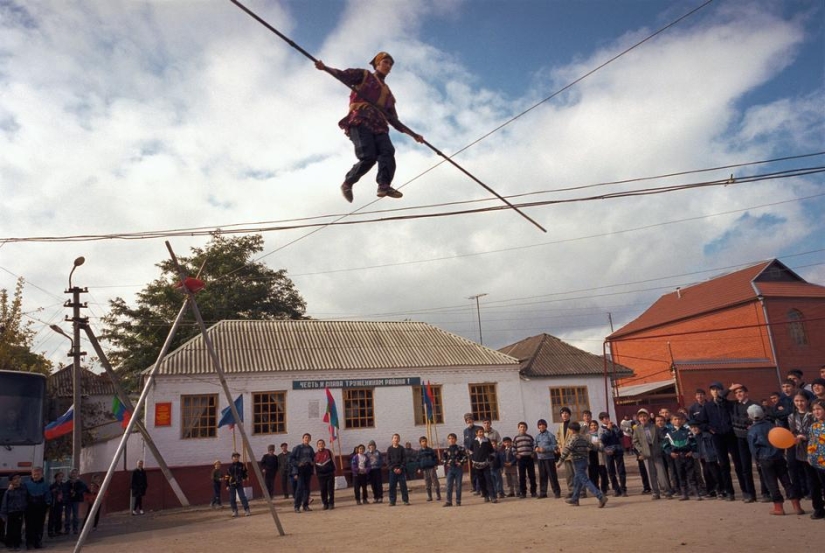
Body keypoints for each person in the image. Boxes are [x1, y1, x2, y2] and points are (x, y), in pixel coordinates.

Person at [315, 52, 424, 203]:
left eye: (390, 65)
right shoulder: (364, 75)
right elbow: (344, 75)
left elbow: (394, 120)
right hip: (360, 119)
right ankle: (348, 183)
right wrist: (325, 68)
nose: (388, 66)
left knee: (388, 152)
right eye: (385, 62)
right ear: (377, 64)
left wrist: (413, 135)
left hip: (379, 125)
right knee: (369, 156)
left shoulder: (388, 94)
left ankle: (384, 185)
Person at [746, 404, 801, 515]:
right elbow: (781, 440)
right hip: (778, 457)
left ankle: (778, 507)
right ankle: (797, 506)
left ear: (750, 417)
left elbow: (753, 449)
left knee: (771, 483)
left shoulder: (752, 431)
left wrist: (757, 460)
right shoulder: (772, 426)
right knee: (786, 480)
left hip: (765, 459)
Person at [697, 381, 742, 501]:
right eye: (713, 390)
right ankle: (729, 491)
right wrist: (709, 429)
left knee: (738, 463)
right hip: (717, 437)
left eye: (717, 389)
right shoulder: (707, 406)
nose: (715, 391)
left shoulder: (729, 404)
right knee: (723, 465)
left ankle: (746, 490)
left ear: (722, 391)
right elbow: (701, 422)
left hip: (731, 435)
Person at [557, 422, 608, 508]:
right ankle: (575, 499)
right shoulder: (583, 438)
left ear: (572, 430)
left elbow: (567, 450)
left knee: (585, 480)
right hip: (584, 461)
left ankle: (600, 496)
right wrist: (601, 449)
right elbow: (592, 446)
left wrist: (560, 461)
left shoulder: (573, 438)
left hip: (577, 462)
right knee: (577, 481)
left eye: (569, 430)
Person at [730, 384, 760, 502]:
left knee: (760, 465)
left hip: (754, 438)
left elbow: (759, 419)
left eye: (741, 392)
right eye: (736, 393)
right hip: (740, 439)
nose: (738, 394)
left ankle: (766, 491)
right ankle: (750, 493)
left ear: (746, 393)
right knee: (745, 467)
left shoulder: (754, 405)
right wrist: (730, 389)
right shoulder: (734, 405)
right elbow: (721, 398)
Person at [663, 413, 702, 501]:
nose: (678, 421)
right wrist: (670, 453)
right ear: (671, 421)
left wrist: (692, 451)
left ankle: (696, 492)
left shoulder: (687, 431)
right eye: (675, 419)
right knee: (680, 474)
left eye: (679, 419)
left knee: (691, 474)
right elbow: (665, 445)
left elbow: (694, 442)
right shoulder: (669, 433)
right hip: (677, 456)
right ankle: (684, 493)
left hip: (687, 455)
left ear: (683, 420)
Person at [632, 409, 663, 500]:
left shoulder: (655, 427)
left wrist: (659, 448)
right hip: (646, 453)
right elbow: (635, 441)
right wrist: (641, 450)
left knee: (661, 473)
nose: (643, 418)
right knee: (650, 473)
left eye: (644, 416)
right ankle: (655, 492)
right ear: (638, 418)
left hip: (656, 451)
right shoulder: (637, 429)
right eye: (641, 416)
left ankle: (666, 490)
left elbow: (661, 439)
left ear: (648, 417)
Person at [690, 420, 721, 498]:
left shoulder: (707, 435)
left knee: (715, 474)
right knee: (706, 474)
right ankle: (711, 491)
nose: (694, 429)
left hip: (711, 458)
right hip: (702, 458)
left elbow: (714, 447)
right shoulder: (695, 437)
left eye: (695, 427)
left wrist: (717, 456)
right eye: (692, 428)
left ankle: (720, 490)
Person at [599, 412, 627, 497]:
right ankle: (616, 489)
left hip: (618, 450)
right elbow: (603, 439)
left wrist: (615, 428)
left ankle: (623, 489)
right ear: (601, 420)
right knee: (611, 471)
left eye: (608, 418)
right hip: (608, 451)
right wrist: (608, 429)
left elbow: (621, 435)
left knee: (621, 470)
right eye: (605, 418)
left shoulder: (615, 426)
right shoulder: (601, 429)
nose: (607, 419)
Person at [806, 399, 825, 519]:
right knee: (815, 486)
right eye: (814, 410)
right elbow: (811, 441)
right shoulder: (813, 426)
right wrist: (809, 456)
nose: (816, 412)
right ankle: (818, 509)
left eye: (818, 409)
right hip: (814, 461)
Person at [24, 466, 51, 548]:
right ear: (32, 475)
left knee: (39, 525)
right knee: (29, 525)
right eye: (34, 474)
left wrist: (47, 504)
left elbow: (48, 495)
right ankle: (29, 542)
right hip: (30, 507)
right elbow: (23, 495)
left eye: (38, 474)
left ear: (42, 475)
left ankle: (38, 541)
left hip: (41, 507)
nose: (36, 476)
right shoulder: (26, 484)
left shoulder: (45, 485)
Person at [534, 419, 561, 499]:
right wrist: (536, 448)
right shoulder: (537, 436)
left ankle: (557, 492)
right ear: (538, 426)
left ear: (546, 426)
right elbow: (535, 444)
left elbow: (554, 446)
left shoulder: (550, 435)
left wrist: (545, 449)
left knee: (552, 476)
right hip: (540, 459)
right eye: (540, 425)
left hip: (549, 458)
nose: (541, 426)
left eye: (543, 424)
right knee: (542, 476)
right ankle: (543, 493)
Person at [470, 427, 497, 503]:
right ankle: (485, 495)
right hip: (477, 465)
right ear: (476, 433)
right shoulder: (473, 441)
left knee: (489, 480)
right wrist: (473, 459)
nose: (481, 433)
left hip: (486, 464)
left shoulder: (487, 441)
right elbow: (470, 451)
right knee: (481, 481)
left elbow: (492, 452)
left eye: (482, 432)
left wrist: (489, 460)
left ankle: (493, 496)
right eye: (479, 432)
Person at [290, 434, 315, 513]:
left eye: (308, 438)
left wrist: (312, 463)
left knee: (307, 488)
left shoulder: (311, 449)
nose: (307, 439)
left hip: (308, 469)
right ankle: (297, 506)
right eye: (305, 438)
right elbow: (290, 459)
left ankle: (305, 505)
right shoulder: (297, 448)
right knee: (299, 488)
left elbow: (313, 458)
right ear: (302, 439)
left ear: (310, 439)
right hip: (300, 469)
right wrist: (298, 464)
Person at [1, 474, 26, 550]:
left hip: (20, 511)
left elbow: (26, 499)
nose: (17, 480)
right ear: (11, 481)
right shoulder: (8, 491)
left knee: (18, 528)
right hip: (11, 512)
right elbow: (4, 503)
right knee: (10, 529)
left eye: (19, 478)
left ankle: (16, 544)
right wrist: (3, 514)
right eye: (15, 479)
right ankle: (10, 544)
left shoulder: (23, 489)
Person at [442, 433, 468, 507]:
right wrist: (446, 463)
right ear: (448, 440)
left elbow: (466, 457)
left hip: (458, 469)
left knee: (458, 485)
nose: (451, 440)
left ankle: (458, 501)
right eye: (450, 438)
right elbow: (443, 459)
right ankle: (448, 501)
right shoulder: (446, 450)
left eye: (453, 438)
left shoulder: (460, 448)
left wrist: (461, 462)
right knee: (449, 485)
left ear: (456, 439)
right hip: (450, 469)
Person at [513, 421, 537, 498]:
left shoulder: (529, 437)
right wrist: (516, 454)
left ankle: (533, 491)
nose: (522, 428)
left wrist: (533, 453)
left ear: (526, 428)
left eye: (524, 427)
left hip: (529, 458)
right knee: (522, 476)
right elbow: (513, 448)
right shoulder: (516, 438)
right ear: (518, 428)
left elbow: (533, 446)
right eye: (521, 427)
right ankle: (523, 492)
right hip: (521, 459)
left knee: (532, 476)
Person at [556, 407, 576, 497]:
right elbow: (558, 437)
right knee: (569, 474)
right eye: (563, 413)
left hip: (574, 453)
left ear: (569, 414)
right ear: (561, 415)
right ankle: (571, 491)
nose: (564, 414)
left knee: (577, 473)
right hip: (565, 454)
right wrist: (560, 446)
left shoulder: (574, 424)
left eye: (566, 413)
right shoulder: (560, 426)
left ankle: (581, 491)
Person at [386, 433, 410, 506]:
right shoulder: (389, 449)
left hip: (401, 470)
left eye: (397, 438)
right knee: (392, 486)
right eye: (394, 438)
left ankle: (405, 500)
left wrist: (400, 468)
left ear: (399, 440)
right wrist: (393, 468)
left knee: (403, 486)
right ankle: (392, 501)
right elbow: (387, 460)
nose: (396, 439)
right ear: (392, 440)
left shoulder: (401, 448)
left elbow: (404, 459)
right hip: (392, 471)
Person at [587, 420, 609, 495]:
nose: (593, 427)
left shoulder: (601, 434)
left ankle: (604, 489)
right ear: (589, 427)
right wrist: (594, 446)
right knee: (593, 474)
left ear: (598, 426)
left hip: (600, 456)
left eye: (595, 425)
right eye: (592, 425)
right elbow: (586, 446)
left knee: (603, 473)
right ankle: (596, 490)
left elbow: (603, 445)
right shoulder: (587, 436)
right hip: (591, 456)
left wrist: (596, 445)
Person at [463, 414, 483, 494]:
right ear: (466, 421)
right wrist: (467, 449)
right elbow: (465, 442)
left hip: (478, 453)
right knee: (472, 472)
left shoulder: (478, 428)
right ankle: (474, 486)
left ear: (473, 420)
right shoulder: (465, 431)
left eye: (470, 419)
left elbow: (481, 439)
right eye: (467, 420)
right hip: (470, 454)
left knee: (478, 470)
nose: (469, 421)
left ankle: (480, 487)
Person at [226, 453, 251, 517]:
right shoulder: (230, 467)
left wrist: (245, 478)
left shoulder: (241, 465)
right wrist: (227, 485)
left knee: (242, 496)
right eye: (235, 457)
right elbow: (227, 477)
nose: (236, 458)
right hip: (232, 484)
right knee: (232, 498)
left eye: (237, 457)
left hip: (239, 483)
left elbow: (245, 472)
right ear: (232, 458)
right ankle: (234, 511)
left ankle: (247, 510)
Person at [63, 469, 87, 534]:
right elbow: (64, 490)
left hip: (76, 500)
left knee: (75, 515)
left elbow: (85, 488)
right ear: (70, 474)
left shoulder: (80, 483)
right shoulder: (67, 483)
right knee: (67, 515)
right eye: (73, 473)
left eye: (75, 473)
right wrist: (69, 493)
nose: (74, 474)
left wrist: (77, 492)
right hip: (68, 500)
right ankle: (67, 529)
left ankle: (75, 529)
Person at [417, 436, 441, 502]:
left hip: (431, 468)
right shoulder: (419, 452)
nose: (424, 443)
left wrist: (436, 464)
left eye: (425, 441)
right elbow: (418, 461)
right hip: (424, 469)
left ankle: (438, 495)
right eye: (422, 441)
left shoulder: (431, 450)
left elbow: (435, 458)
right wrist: (419, 468)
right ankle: (429, 496)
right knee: (427, 482)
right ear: (420, 443)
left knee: (435, 481)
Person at [314, 439, 335, 510]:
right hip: (320, 475)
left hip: (329, 473)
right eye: (319, 444)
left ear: (324, 445)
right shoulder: (315, 454)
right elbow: (314, 464)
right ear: (317, 446)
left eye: (322, 443)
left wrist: (334, 469)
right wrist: (315, 472)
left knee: (330, 489)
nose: (320, 445)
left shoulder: (328, 452)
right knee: (323, 490)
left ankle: (331, 503)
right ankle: (325, 504)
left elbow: (333, 460)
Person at [47, 471, 65, 538]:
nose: (60, 478)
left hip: (60, 503)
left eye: (61, 477)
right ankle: (50, 531)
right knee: (52, 517)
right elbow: (49, 494)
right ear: (56, 478)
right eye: (59, 477)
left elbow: (65, 493)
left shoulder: (63, 485)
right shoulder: (52, 486)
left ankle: (58, 530)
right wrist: (53, 492)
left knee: (59, 517)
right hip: (54, 503)